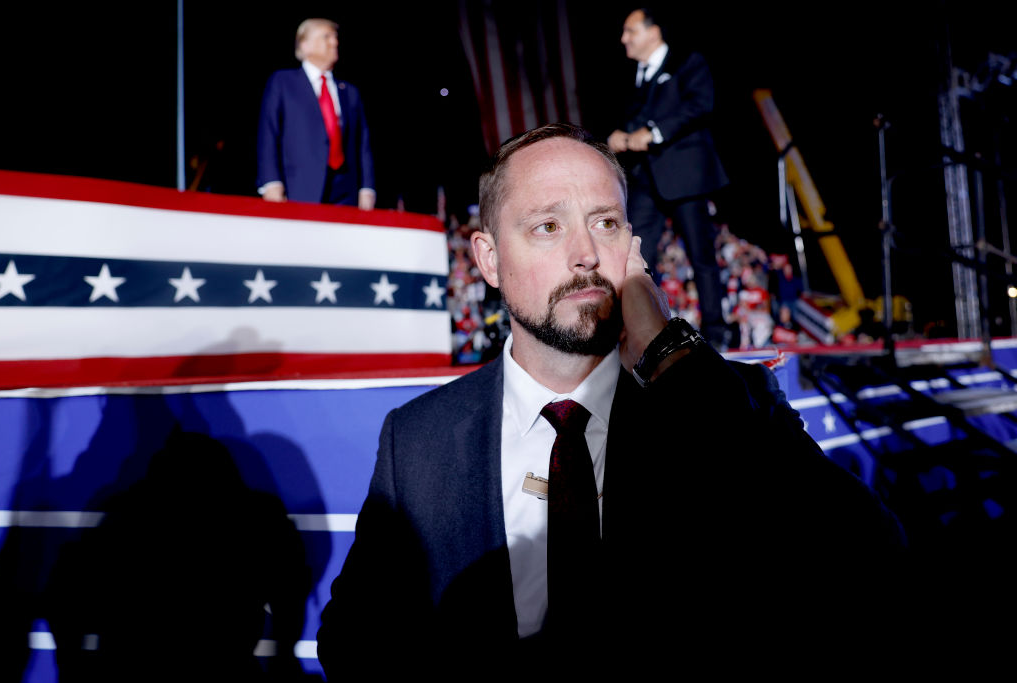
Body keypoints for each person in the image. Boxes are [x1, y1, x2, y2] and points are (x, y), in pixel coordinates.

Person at [316, 123, 906, 676]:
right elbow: (353, 644)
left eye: (605, 223)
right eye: (548, 226)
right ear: (489, 259)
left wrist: (671, 354)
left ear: (634, 242)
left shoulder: (723, 402)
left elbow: (868, 560)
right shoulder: (417, 438)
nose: (587, 254)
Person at [607, 7, 729, 347]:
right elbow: (638, 120)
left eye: (630, 31)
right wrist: (624, 136)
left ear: (653, 31)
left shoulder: (687, 63)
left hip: (685, 175)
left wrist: (654, 132)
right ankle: (651, 331)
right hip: (646, 180)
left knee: (701, 256)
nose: (624, 39)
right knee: (636, 255)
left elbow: (700, 105)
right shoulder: (637, 74)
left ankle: (717, 335)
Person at [257, 18, 375, 209]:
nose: (334, 42)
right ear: (305, 45)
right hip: (300, 187)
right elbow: (268, 134)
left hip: (346, 192)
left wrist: (367, 188)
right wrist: (271, 182)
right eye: (326, 37)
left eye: (335, 38)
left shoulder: (349, 92)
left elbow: (363, 144)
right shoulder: (283, 82)